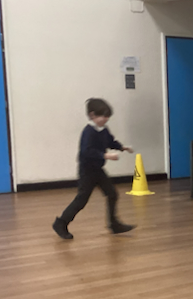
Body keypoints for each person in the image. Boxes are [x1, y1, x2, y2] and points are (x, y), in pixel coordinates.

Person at [52, 98, 135, 240]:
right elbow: (86, 151)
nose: (106, 119)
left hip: (98, 170)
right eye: (103, 116)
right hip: (87, 171)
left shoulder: (103, 129)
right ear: (92, 115)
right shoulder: (88, 131)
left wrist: (122, 147)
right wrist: (105, 155)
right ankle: (60, 223)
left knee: (112, 194)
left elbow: (110, 141)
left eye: (107, 116)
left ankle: (114, 224)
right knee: (81, 200)